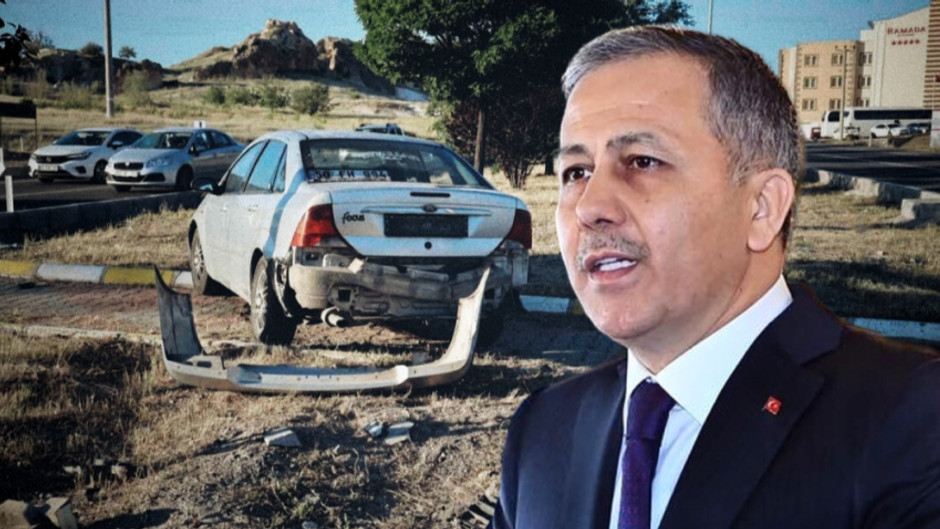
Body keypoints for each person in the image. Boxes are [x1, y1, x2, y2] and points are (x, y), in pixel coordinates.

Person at [489, 25, 940, 529]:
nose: (589, 206)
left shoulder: (912, 419)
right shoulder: (542, 430)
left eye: (642, 161)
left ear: (761, 208)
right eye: (576, 171)